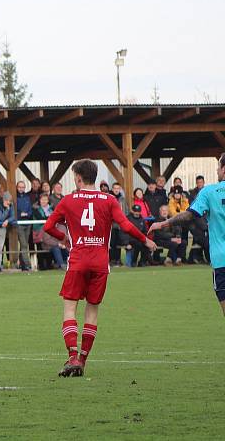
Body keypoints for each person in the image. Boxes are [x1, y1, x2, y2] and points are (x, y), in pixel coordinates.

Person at [43, 160, 156, 378]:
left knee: (69, 309)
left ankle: (72, 356)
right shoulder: (109, 200)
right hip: (100, 263)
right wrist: (145, 239)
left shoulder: (67, 200)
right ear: (94, 177)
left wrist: (64, 237)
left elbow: (48, 227)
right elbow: (125, 225)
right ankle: (82, 361)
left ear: (77, 178)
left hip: (77, 261)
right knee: (92, 310)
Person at [149, 153, 225, 315]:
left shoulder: (209, 192)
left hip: (222, 260)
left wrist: (163, 223)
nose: (217, 170)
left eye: (218, 167)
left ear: (224, 169)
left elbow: (189, 215)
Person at [15, 181, 33, 271]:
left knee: (25, 244)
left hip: (27, 222)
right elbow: (14, 209)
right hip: (19, 223)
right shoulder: (15, 197)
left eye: (23, 187)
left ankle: (22, 263)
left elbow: (30, 209)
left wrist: (27, 214)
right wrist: (19, 214)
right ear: (17, 187)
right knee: (24, 244)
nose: (21, 189)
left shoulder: (27, 197)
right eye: (20, 187)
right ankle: (27, 263)